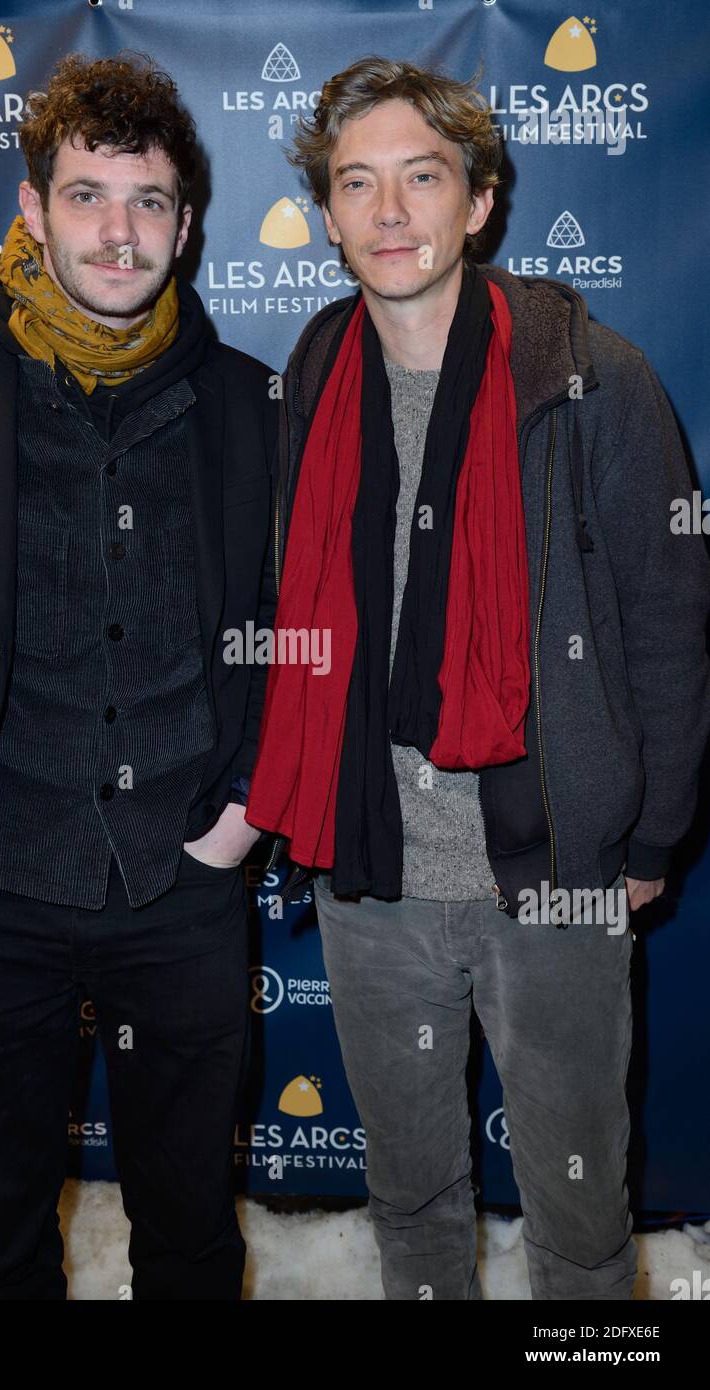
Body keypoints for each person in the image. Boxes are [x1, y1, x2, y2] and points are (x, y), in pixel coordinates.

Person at [245, 56, 710, 1300]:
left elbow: (670, 629)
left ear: (479, 202)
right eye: (357, 183)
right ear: (326, 213)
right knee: (407, 1201)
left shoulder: (592, 376)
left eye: (421, 177)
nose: (389, 213)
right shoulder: (304, 385)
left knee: (577, 1209)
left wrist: (652, 830)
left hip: (552, 877)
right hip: (367, 879)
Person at [0, 50, 277, 1301]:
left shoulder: (254, 405)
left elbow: (290, 630)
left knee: (194, 1239)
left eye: (147, 202)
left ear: (186, 224)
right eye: (86, 195)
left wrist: (244, 816)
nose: (118, 232)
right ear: (30, 209)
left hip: (185, 891)